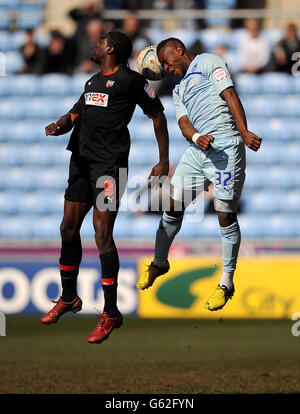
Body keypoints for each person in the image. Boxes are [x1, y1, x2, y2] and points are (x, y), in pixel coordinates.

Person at [40, 31, 169, 343]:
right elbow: (74, 113)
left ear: (110, 48)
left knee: (101, 234)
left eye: (98, 42)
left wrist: (163, 161)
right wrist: (60, 125)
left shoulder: (132, 81)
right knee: (67, 229)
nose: (93, 44)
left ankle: (110, 312)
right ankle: (69, 297)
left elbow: (158, 115)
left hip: (110, 167)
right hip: (81, 162)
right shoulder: (92, 82)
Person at [136, 38, 262, 312]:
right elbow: (183, 122)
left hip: (226, 147)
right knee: (172, 205)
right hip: (197, 150)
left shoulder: (208, 62)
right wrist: (195, 136)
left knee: (225, 213)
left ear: (179, 50)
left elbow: (229, 94)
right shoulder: (179, 89)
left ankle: (226, 282)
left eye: (167, 61)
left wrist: (243, 131)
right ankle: (159, 261)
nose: (167, 68)